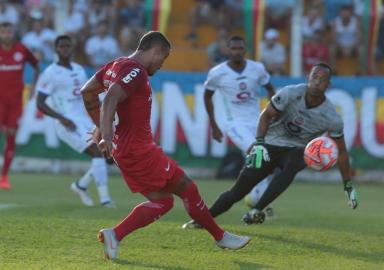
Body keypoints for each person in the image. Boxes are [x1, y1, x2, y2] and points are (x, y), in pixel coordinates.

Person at [80, 31, 251, 260]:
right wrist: (106, 134)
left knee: (163, 202)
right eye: (164, 58)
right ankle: (221, 237)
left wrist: (101, 127)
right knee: (187, 188)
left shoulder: (114, 65)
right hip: (138, 151)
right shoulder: (135, 70)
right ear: (156, 51)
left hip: (127, 151)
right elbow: (110, 98)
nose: (162, 65)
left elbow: (88, 92)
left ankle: (115, 235)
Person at [182, 63, 359, 228]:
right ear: (308, 78)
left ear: (329, 84)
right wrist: (259, 144)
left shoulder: (331, 117)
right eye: (314, 77)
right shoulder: (290, 93)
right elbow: (266, 115)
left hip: (296, 149)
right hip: (270, 144)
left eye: (322, 80)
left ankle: (257, 210)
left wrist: (347, 184)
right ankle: (201, 221)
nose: (317, 82)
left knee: (296, 162)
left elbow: (341, 152)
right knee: (237, 192)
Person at [195, 35, 276, 225]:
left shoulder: (257, 68)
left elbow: (271, 89)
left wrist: (273, 112)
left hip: (257, 121)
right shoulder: (217, 72)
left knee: (267, 161)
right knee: (257, 154)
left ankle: (255, 197)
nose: (237, 51)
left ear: (245, 50)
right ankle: (259, 200)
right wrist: (214, 125)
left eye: (240, 48)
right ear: (228, 50)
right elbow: (207, 97)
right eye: (233, 48)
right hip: (234, 124)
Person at [36, 35, 114, 208]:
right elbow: (39, 103)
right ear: (56, 49)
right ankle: (105, 200)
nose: (65, 49)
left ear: (72, 48)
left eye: (67, 46)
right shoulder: (50, 73)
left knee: (109, 156)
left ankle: (81, 185)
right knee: (98, 153)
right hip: (67, 123)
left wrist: (100, 116)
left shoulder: (79, 69)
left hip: (85, 121)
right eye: (61, 46)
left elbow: (88, 95)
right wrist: (61, 118)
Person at [0, 22, 39, 190]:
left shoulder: (22, 49)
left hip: (15, 100)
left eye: (9, 31)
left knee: (11, 135)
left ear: (13, 32)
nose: (6, 34)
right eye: (3, 32)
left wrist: (33, 88)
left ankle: (4, 177)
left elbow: (37, 66)